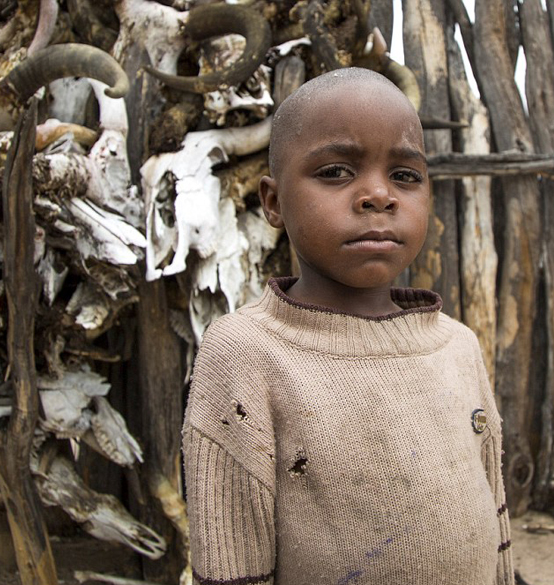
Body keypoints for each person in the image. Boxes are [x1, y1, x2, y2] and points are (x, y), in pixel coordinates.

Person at [182, 67, 514, 585]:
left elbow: (494, 518)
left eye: (405, 176)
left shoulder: (456, 345)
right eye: (336, 171)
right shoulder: (247, 352)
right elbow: (232, 560)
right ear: (273, 202)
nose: (379, 195)